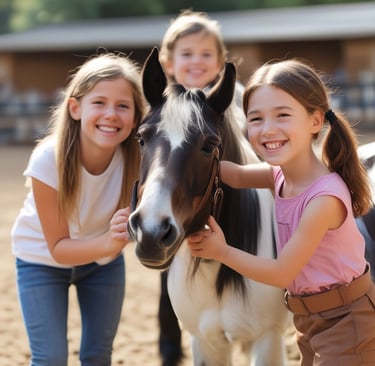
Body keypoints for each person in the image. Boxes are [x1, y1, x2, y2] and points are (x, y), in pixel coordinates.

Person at [187, 59, 375, 365]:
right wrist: (182, 162)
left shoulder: (323, 198)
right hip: (309, 318)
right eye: (256, 118)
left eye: (283, 115)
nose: (267, 129)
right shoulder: (280, 176)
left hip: (346, 319)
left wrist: (222, 251)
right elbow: (231, 174)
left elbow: (282, 273)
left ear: (315, 121)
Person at [11, 52, 145, 366]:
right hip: (40, 260)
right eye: (99, 102)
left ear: (136, 117)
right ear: (75, 108)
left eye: (123, 106)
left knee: (98, 356)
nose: (111, 114)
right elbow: (58, 248)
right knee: (51, 358)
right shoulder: (48, 159)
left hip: (103, 264)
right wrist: (112, 242)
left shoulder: (139, 161)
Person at [157, 10, 255, 365]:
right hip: (181, 205)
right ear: (169, 63)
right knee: (171, 273)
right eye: (187, 54)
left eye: (206, 54)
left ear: (220, 62)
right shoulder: (163, 106)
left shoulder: (237, 98)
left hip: (232, 203)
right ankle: (169, 341)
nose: (196, 61)